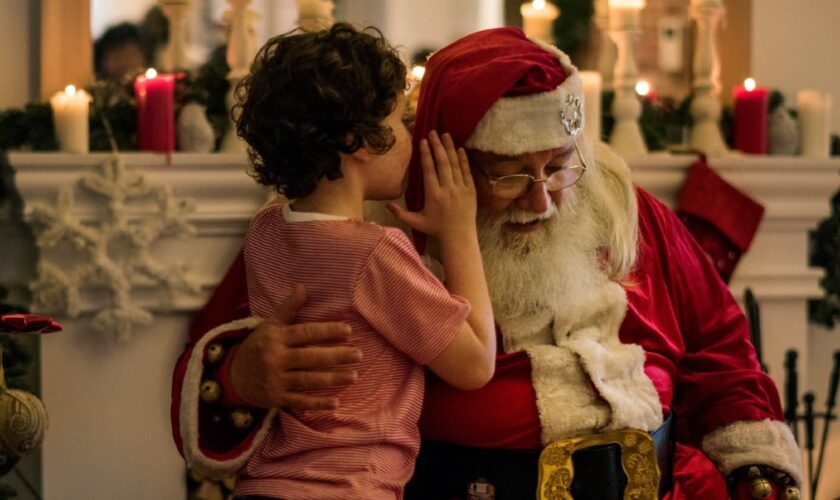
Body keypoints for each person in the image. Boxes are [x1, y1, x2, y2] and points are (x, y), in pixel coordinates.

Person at [172, 27, 803, 499]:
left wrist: (755, 469)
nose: (542, 199)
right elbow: (206, 370)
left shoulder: (621, 207)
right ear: (449, 159)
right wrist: (241, 375)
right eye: (509, 175)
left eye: (558, 166)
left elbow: (723, 348)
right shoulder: (362, 227)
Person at [176, 23, 497, 499]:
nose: (409, 136)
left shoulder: (265, 231)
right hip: (348, 487)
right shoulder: (374, 252)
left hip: (262, 487)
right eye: (397, 121)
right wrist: (458, 230)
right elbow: (475, 363)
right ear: (360, 140)